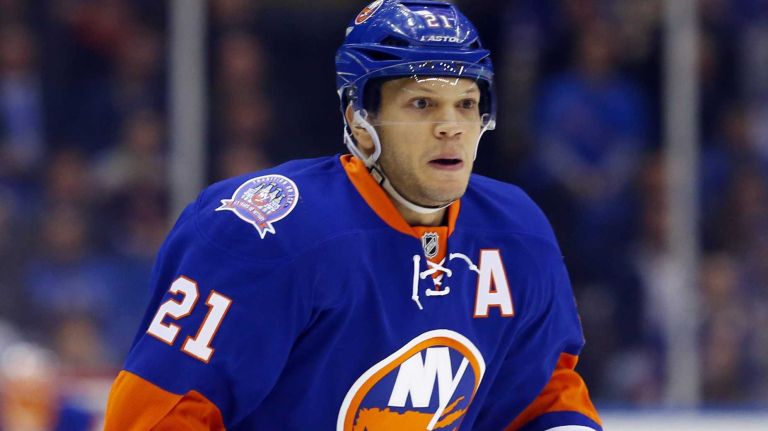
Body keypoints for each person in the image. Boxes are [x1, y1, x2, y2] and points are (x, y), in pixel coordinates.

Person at [104, 1, 602, 430]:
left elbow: (539, 396)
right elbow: (157, 413)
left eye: (466, 104)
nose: (451, 127)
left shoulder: (515, 232)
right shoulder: (267, 231)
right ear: (359, 120)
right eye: (422, 103)